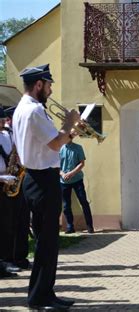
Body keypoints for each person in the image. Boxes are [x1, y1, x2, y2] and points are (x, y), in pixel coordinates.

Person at [12, 64, 80, 309]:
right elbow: (54, 144)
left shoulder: (23, 109)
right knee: (47, 242)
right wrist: (70, 125)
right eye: (49, 85)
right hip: (43, 179)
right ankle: (39, 297)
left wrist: (68, 133)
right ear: (39, 84)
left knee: (46, 241)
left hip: (34, 177)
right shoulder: (34, 111)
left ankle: (44, 294)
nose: (50, 90)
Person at [0, 105, 30, 271]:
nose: (3, 123)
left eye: (4, 120)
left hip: (14, 182)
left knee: (19, 222)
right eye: (1, 120)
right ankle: (5, 259)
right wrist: (4, 177)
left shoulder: (8, 134)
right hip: (3, 183)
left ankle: (18, 257)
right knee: (5, 225)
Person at [60, 130, 95, 234]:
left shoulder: (78, 148)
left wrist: (71, 173)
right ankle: (70, 227)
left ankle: (89, 226)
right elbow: (56, 165)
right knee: (66, 205)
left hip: (77, 179)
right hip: (63, 181)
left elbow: (81, 163)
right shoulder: (60, 149)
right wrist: (62, 174)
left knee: (83, 201)